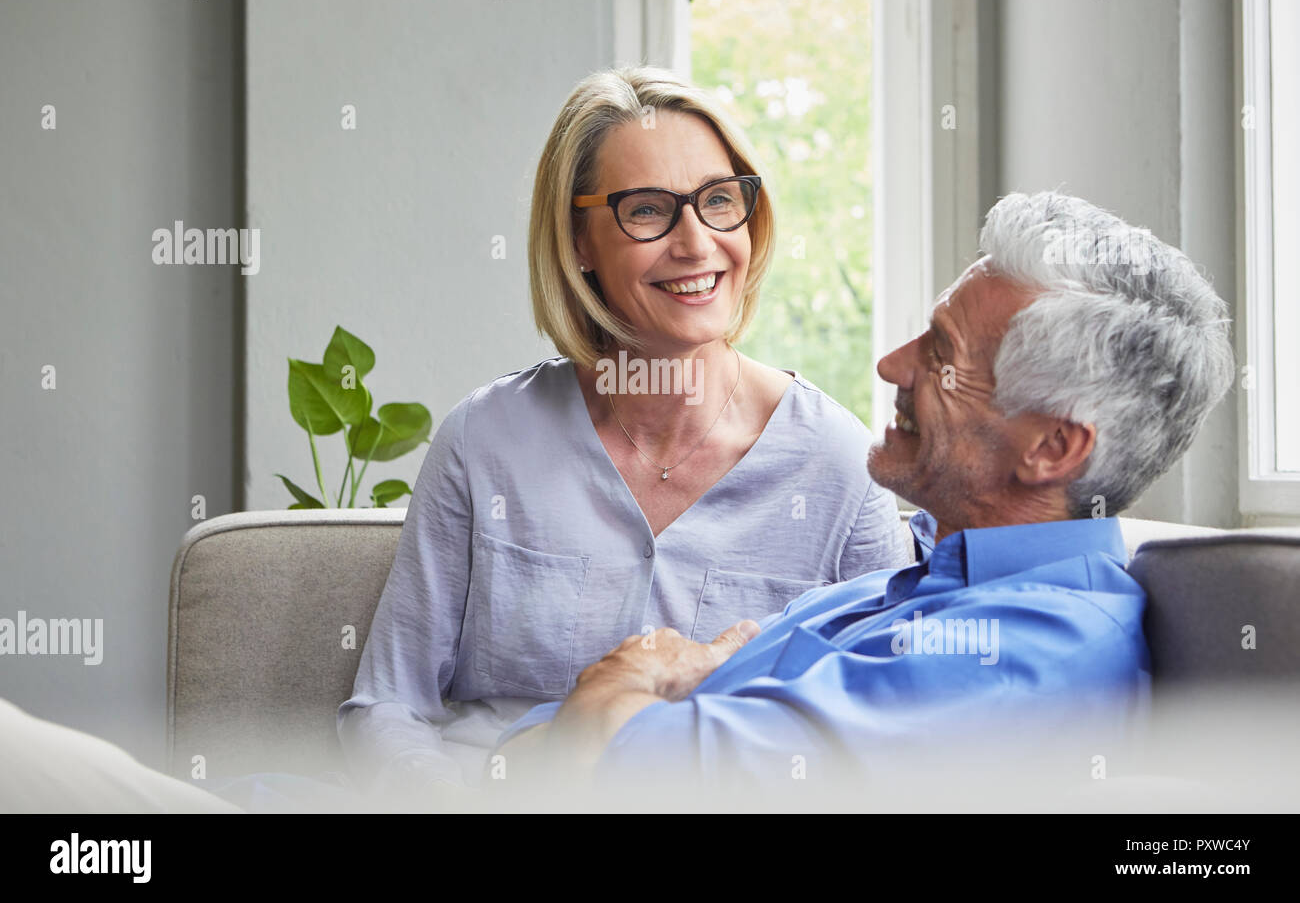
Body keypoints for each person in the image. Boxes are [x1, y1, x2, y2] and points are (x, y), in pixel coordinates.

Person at [494, 190, 1236, 790]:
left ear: (1050, 447)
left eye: (941, 353)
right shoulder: (908, 578)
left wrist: (632, 670)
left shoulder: (1011, 659)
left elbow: (606, 770)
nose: (890, 364)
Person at [338, 66, 912, 794]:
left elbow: (884, 738)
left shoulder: (838, 467)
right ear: (579, 240)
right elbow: (386, 706)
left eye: (718, 201)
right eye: (647, 211)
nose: (697, 243)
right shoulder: (484, 443)